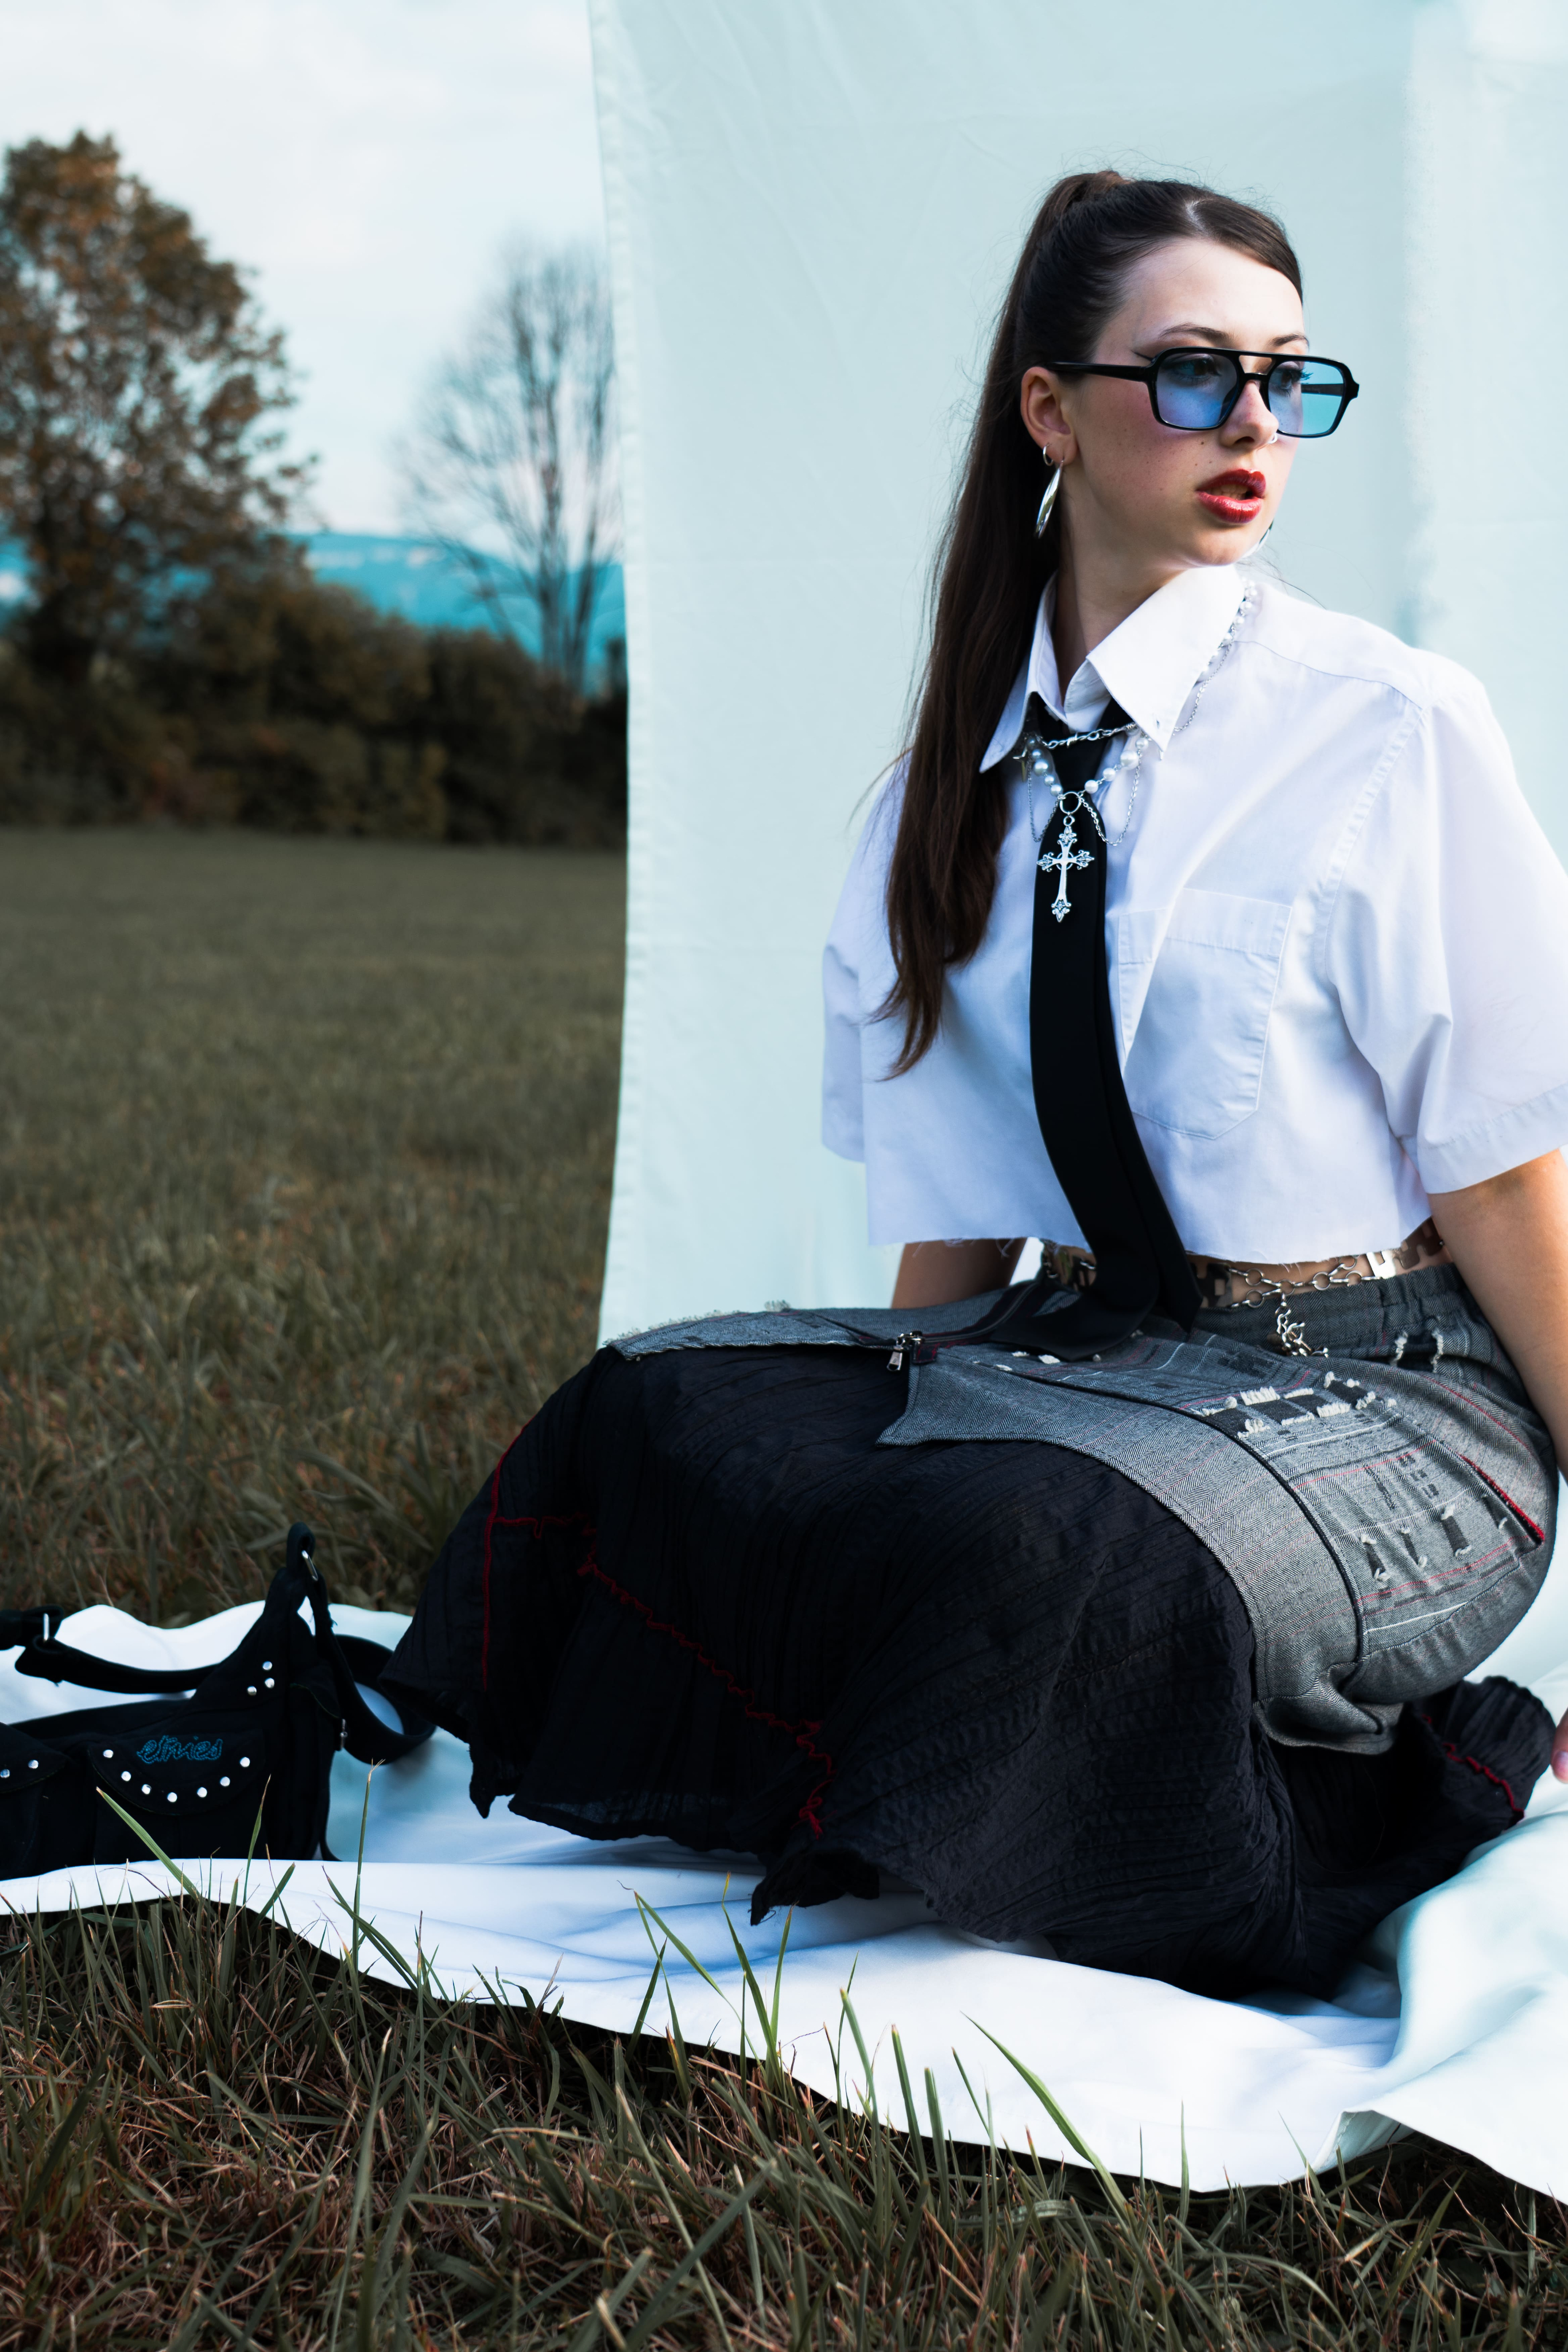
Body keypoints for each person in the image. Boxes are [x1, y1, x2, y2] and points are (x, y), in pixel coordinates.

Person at [386, 172, 1568, 1998]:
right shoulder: (946, 789)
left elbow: (1503, 1180)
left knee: (1039, 1551)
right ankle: (975, 1722)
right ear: (1050, 411)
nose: (1252, 423)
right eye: (1191, 374)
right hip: (1096, 1352)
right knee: (655, 1411)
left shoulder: (1385, 726)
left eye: (1285, 378)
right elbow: (953, 1216)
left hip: (1393, 1406)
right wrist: (862, 1440)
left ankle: (1371, 1788)